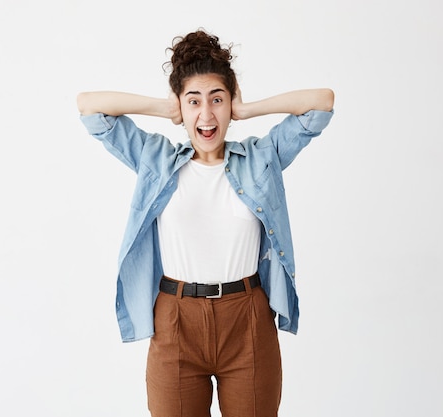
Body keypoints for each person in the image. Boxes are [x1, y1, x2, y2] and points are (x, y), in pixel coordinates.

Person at [76, 29, 334, 417]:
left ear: (231, 103)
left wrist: (250, 109)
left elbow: (321, 105)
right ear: (181, 107)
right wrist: (165, 107)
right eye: (193, 102)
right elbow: (89, 109)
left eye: (218, 100)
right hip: (176, 320)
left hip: (246, 318)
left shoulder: (260, 158)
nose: (207, 115)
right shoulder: (156, 159)